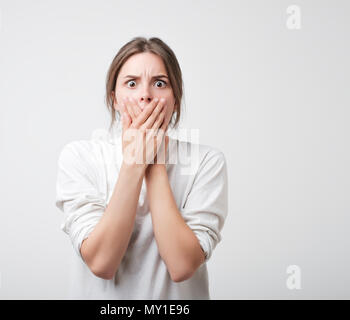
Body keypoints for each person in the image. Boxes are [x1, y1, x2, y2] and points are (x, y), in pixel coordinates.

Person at [55, 36, 228, 299]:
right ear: (115, 99)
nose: (146, 94)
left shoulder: (206, 162)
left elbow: (182, 266)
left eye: (160, 83)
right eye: (131, 83)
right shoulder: (80, 157)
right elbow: (102, 263)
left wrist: (154, 163)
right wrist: (134, 163)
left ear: (176, 100)